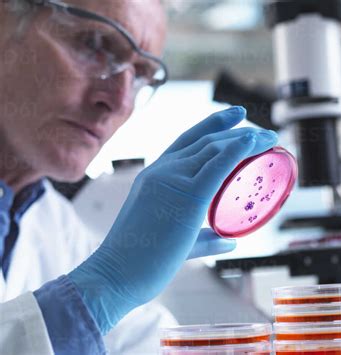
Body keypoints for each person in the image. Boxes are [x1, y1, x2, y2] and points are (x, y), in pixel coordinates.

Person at [0, 0, 278, 354]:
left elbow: (144, 342)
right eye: (94, 46)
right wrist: (99, 292)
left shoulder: (57, 230)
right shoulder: (93, 267)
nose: (119, 100)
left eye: (142, 75)